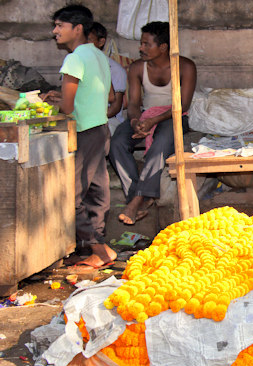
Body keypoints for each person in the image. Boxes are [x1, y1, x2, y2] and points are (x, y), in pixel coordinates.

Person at [42, 4, 116, 268]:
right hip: (100, 129)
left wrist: (47, 104)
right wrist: (61, 96)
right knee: (97, 190)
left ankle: (99, 249)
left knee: (70, 195)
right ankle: (97, 247)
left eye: (60, 26)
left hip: (84, 132)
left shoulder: (73, 59)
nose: (55, 31)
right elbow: (107, 96)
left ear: (78, 28)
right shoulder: (98, 55)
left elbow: (68, 108)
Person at [109, 21, 197, 225]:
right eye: (141, 44)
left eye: (146, 44)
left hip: (174, 116)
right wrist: (135, 121)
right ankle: (139, 197)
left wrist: (154, 121)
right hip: (144, 115)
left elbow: (183, 104)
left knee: (161, 144)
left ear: (163, 47)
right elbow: (132, 104)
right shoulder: (137, 68)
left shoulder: (185, 66)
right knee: (117, 144)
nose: (141, 48)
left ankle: (136, 200)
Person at [88, 22, 127, 135]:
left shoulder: (115, 70)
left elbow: (114, 108)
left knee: (95, 134)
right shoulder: (78, 65)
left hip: (109, 119)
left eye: (89, 40)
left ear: (101, 42)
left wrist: (88, 117)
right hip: (84, 118)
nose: (85, 45)